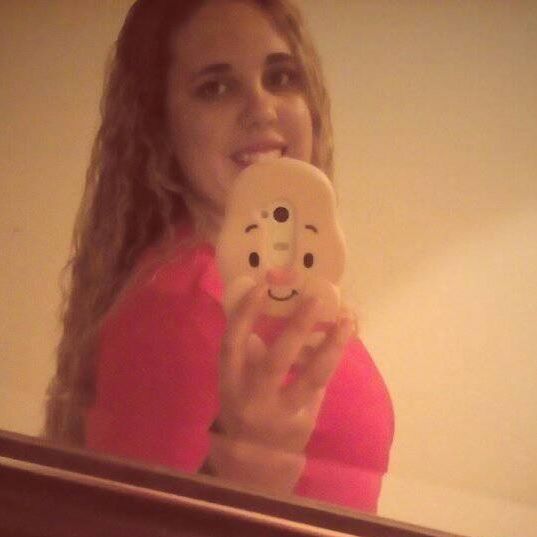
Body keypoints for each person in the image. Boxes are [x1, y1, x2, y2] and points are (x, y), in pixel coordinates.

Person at [44, 0, 394, 513]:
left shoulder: (263, 286)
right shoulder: (180, 309)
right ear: (159, 127)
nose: (262, 107)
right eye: (216, 87)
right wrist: (250, 473)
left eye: (281, 77)